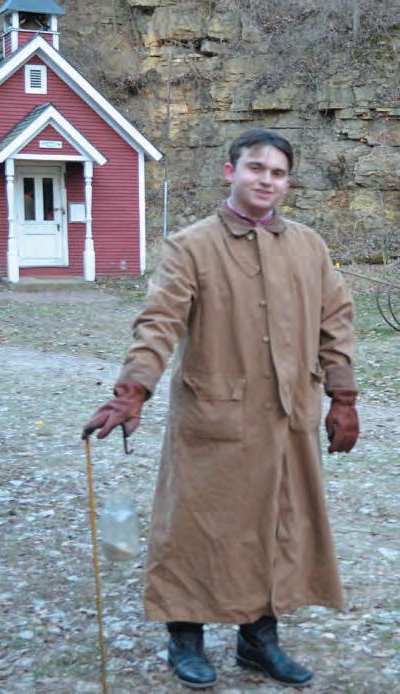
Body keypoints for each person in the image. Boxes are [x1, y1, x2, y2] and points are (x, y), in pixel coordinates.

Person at [83, 129, 359, 689]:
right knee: (195, 528)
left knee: (276, 526)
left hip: (288, 420)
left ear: (287, 182)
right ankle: (184, 638)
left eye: (278, 173)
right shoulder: (190, 245)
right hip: (213, 419)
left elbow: (336, 323)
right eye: (256, 168)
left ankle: (259, 640)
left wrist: (344, 397)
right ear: (230, 172)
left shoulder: (309, 247)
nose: (266, 180)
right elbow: (158, 322)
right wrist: (133, 388)